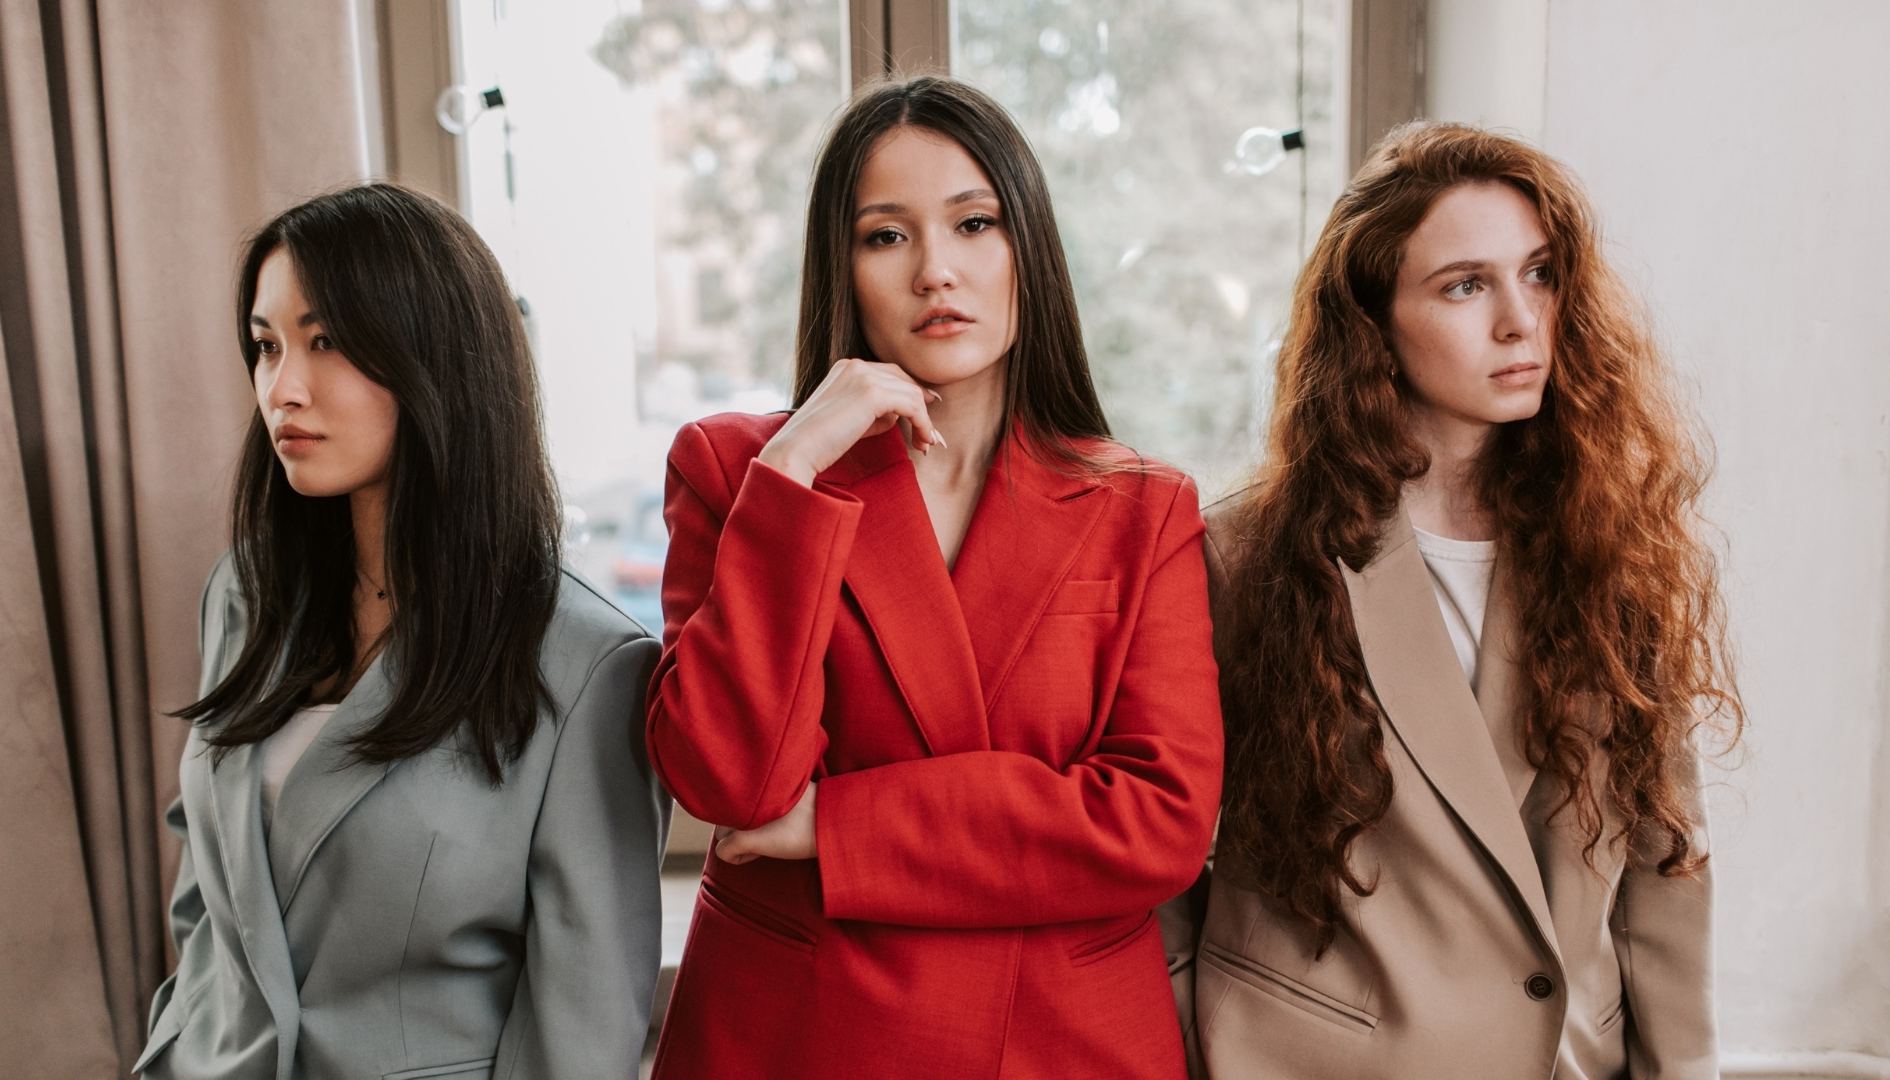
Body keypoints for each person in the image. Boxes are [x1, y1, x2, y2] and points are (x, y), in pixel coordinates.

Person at [644, 77, 1223, 1080]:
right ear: (844, 265)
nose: (935, 273)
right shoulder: (738, 471)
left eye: (974, 223)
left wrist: (836, 827)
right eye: (886, 236)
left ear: (1025, 249)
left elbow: (1158, 823)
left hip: (1059, 1042)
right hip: (800, 1036)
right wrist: (791, 475)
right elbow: (728, 779)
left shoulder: (1143, 505)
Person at [1180, 123, 1742, 1079]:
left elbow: (1664, 859)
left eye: (1540, 273)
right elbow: (1162, 840)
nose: (1521, 320)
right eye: (1466, 285)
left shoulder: (1617, 546)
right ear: (1374, 324)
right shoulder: (1244, 555)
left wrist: (1684, 1069)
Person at [136, 184, 669, 1080]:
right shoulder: (244, 594)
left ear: (437, 359)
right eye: (266, 347)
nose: (283, 387)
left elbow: (581, 1033)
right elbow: (209, 905)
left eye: (327, 341)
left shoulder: (586, 665)